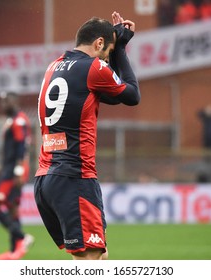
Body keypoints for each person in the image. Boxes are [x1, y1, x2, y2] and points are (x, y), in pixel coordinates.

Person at [34, 11, 140, 260]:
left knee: (98, 256)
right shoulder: (92, 67)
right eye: (107, 52)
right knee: (89, 261)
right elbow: (132, 95)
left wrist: (114, 45)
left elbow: (111, 97)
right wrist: (121, 48)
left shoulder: (54, 66)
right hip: (74, 176)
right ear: (99, 43)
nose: (107, 59)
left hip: (46, 177)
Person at [0, 91, 34, 260]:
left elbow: (22, 149)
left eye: (5, 101)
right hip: (8, 171)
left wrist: (18, 172)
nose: (2, 105)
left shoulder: (18, 121)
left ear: (15, 102)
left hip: (12, 172)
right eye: (1, 102)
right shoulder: (12, 121)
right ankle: (14, 252)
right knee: (13, 209)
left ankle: (22, 238)